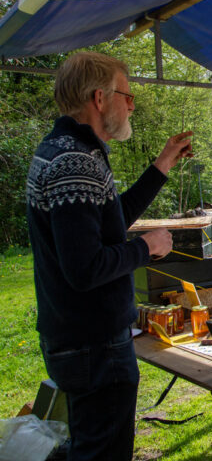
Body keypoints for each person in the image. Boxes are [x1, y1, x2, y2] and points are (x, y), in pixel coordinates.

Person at [26, 52, 193, 461]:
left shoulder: (69, 150)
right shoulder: (75, 161)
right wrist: (146, 248)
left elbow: (107, 221)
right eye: (127, 95)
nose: (132, 104)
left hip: (81, 340)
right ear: (99, 98)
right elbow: (84, 269)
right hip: (93, 345)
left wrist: (162, 164)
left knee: (89, 447)